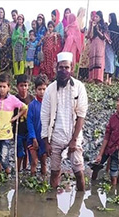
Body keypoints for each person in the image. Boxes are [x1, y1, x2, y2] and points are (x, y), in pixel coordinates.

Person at [41, 52, 88, 191]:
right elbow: (44, 115)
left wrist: (74, 140)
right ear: (56, 68)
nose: (63, 71)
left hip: (73, 136)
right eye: (61, 67)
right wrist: (46, 142)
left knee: (78, 171)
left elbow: (81, 115)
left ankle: (79, 205)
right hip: (55, 136)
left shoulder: (79, 87)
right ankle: (52, 202)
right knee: (55, 171)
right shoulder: (50, 89)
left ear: (71, 68)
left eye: (66, 68)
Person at [92, 92, 119, 186]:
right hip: (108, 148)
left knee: (114, 175)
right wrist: (100, 153)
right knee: (96, 166)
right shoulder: (113, 117)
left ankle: (112, 194)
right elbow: (107, 136)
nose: (117, 103)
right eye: (117, 101)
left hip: (118, 151)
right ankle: (92, 187)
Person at [0, 73, 27, 174]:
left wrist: (15, 117)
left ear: (8, 88)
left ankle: (7, 172)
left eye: (4, 87)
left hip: (6, 134)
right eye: (0, 86)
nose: (2, 89)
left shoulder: (12, 99)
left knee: (4, 157)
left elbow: (24, 107)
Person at [26, 75, 48, 176]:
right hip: (33, 138)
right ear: (35, 90)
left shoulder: (49, 105)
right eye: (39, 89)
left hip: (44, 139)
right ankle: (32, 179)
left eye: (44, 89)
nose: (42, 92)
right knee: (34, 162)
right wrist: (33, 138)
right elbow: (29, 123)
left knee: (43, 161)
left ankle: (44, 181)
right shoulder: (32, 105)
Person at [14, 74, 33, 171]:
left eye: (25, 85)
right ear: (17, 86)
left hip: (28, 129)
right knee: (19, 151)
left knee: (27, 149)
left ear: (28, 86)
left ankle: (25, 168)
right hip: (18, 130)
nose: (23, 88)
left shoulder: (31, 99)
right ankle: (18, 169)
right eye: (21, 86)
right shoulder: (14, 99)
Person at [88, 11, 109, 83]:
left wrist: (98, 30)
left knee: (99, 60)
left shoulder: (104, 25)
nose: (95, 18)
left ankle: (99, 78)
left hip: (100, 44)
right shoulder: (93, 24)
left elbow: (104, 37)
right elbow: (89, 35)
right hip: (93, 43)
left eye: (97, 17)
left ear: (100, 18)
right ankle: (92, 77)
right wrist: (91, 25)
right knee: (93, 59)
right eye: (95, 16)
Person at [0, 7, 12, 72]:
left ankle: (8, 73)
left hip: (7, 42)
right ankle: (2, 72)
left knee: (7, 58)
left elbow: (10, 32)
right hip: (0, 42)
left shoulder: (7, 22)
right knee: (1, 58)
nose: (0, 14)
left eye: (2, 12)